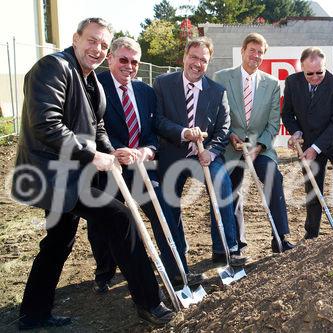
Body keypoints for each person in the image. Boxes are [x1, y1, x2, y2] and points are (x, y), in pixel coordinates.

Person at [10, 18, 174, 330]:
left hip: (74, 174)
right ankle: (150, 304)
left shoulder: (91, 80)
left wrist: (112, 152)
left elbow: (97, 128)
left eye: (102, 44)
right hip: (53, 174)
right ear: (76, 38)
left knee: (59, 239)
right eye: (92, 41)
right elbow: (45, 124)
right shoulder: (53, 68)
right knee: (120, 219)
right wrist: (91, 155)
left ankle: (33, 313)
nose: (96, 49)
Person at [87, 37, 203, 294]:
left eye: (134, 62)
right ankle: (103, 273)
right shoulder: (95, 87)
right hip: (107, 169)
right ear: (111, 59)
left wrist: (147, 150)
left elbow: (152, 131)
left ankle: (177, 270)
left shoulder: (145, 92)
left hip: (141, 168)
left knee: (164, 208)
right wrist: (116, 151)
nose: (129, 66)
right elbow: (94, 128)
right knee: (103, 223)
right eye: (123, 60)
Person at [153, 37, 246, 266]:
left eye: (203, 60)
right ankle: (178, 253)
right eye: (193, 57)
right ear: (184, 57)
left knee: (222, 183)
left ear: (208, 62)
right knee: (169, 201)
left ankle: (226, 247)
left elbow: (223, 128)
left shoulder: (217, 91)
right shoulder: (163, 84)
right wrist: (183, 133)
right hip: (172, 153)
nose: (197, 63)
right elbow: (158, 120)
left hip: (204, 155)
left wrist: (212, 152)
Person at [213, 33, 294, 253]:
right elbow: (217, 114)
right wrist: (229, 134)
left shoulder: (272, 84)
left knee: (273, 177)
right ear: (243, 50)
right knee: (229, 187)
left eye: (260, 52)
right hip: (231, 146)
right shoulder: (222, 78)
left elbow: (273, 122)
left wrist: (260, 146)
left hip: (260, 146)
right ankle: (234, 242)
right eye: (252, 50)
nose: (255, 56)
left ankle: (280, 237)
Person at [282, 47, 333, 238]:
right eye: (309, 73)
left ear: (325, 66)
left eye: (319, 72)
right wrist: (296, 132)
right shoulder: (292, 82)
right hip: (309, 138)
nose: (314, 77)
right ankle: (311, 232)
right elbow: (287, 113)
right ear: (301, 67)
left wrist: (316, 148)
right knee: (312, 186)